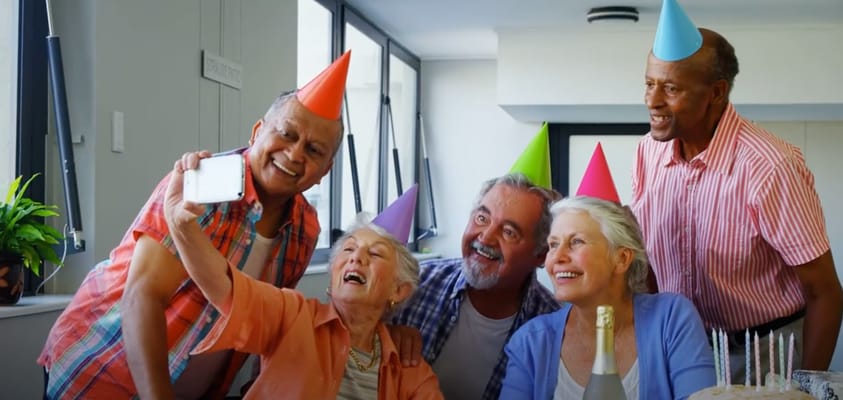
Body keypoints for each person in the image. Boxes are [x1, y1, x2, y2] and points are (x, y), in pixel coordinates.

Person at [38, 52, 351, 399]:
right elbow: (143, 295)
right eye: (287, 134)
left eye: (314, 149)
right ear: (258, 131)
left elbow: (264, 323)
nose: (294, 154)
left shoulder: (305, 230)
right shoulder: (198, 184)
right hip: (103, 367)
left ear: (326, 169)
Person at [632, 0, 843, 382]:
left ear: (716, 92)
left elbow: (824, 291)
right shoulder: (647, 151)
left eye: (671, 88)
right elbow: (647, 261)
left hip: (768, 350)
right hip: (681, 344)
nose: (652, 100)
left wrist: (806, 386)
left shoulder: (770, 166)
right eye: (649, 83)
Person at [163, 161, 442, 399]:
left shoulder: (410, 371)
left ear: (399, 289)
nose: (356, 258)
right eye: (348, 249)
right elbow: (227, 288)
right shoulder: (292, 316)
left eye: (376, 254)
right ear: (333, 276)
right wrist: (181, 223)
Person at [500, 196, 715, 399]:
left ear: (621, 259)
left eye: (576, 242)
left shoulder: (672, 319)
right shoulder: (530, 342)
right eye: (553, 244)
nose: (557, 257)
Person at [391, 172, 561, 400]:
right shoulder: (415, 282)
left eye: (509, 232)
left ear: (540, 255)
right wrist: (381, 335)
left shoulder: (553, 328)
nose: (486, 237)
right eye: (482, 218)